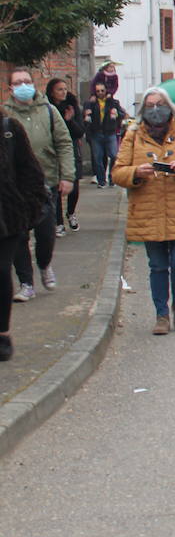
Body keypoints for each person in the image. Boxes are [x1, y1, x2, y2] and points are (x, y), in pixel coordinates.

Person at [111, 87, 175, 335]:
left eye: (160, 104)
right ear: (143, 110)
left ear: (169, 106)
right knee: (157, 266)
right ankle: (161, 315)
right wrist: (136, 173)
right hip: (149, 212)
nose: (156, 110)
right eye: (150, 105)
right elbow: (118, 172)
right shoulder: (132, 135)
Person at [6, 68, 74, 303]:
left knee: (46, 233)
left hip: (45, 183)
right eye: (18, 82)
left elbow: (64, 144)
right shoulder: (5, 115)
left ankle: (44, 263)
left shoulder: (48, 110)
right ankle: (26, 283)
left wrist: (68, 176)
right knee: (18, 236)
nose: (23, 85)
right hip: (13, 188)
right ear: (10, 88)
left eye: (27, 81)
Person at [0, 101, 53, 361]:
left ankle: (2, 332)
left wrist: (26, 210)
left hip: (6, 218)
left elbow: (30, 172)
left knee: (0, 272)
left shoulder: (9, 129)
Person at [45, 78, 84, 235]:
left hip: (71, 150)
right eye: (59, 89)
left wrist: (70, 120)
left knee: (73, 187)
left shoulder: (72, 106)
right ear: (51, 91)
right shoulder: (47, 108)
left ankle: (71, 213)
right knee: (56, 188)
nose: (63, 92)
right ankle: (58, 222)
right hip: (53, 152)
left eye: (65, 89)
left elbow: (80, 131)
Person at [84, 79, 126, 189]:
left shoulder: (113, 102)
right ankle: (101, 181)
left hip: (110, 132)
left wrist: (117, 114)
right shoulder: (90, 103)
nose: (100, 93)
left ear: (106, 90)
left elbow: (122, 114)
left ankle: (112, 178)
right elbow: (85, 117)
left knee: (114, 155)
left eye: (102, 90)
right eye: (98, 91)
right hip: (96, 133)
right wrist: (87, 116)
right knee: (98, 158)